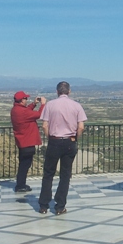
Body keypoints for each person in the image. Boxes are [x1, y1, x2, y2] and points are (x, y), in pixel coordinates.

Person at [38, 82, 86, 215]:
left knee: (48, 173)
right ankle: (60, 206)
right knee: (65, 175)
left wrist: (50, 138)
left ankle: (43, 205)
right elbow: (81, 127)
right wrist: (75, 138)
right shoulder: (76, 106)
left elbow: (44, 126)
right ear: (69, 91)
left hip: (54, 141)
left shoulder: (50, 105)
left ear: (57, 91)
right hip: (69, 142)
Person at [10, 90, 46, 193]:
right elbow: (39, 114)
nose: (27, 100)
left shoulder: (15, 110)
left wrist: (34, 104)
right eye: (25, 98)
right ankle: (20, 185)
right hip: (28, 141)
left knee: (23, 163)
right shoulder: (23, 112)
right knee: (25, 164)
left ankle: (20, 183)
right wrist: (43, 104)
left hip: (22, 141)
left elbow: (27, 111)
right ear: (21, 100)